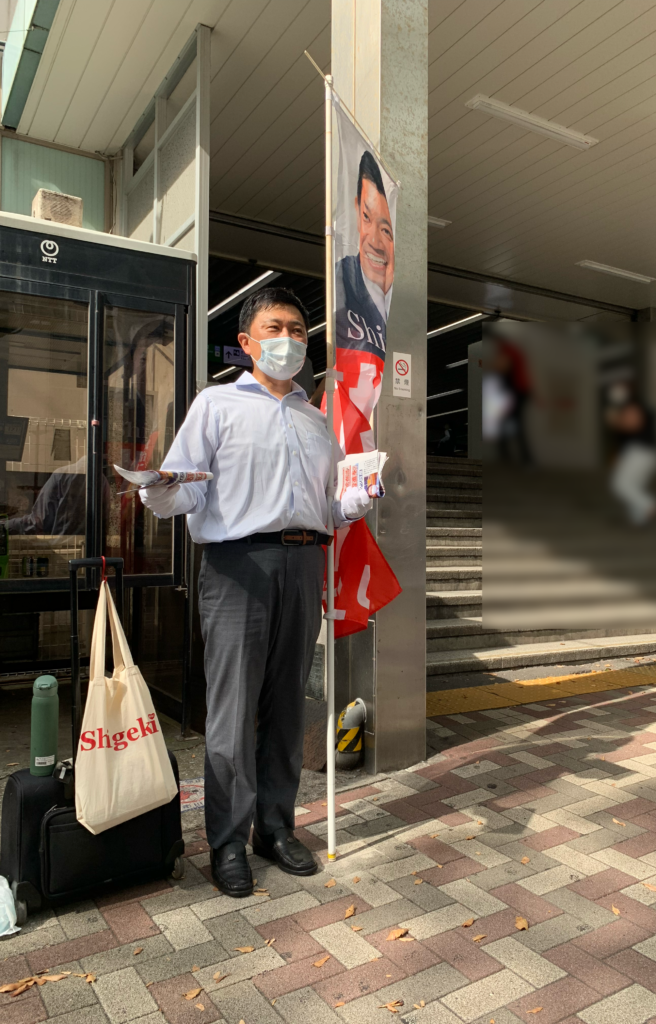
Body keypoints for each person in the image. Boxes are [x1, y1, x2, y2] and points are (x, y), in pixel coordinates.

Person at [140, 287, 375, 897]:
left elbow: (328, 505)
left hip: (304, 563)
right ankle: (226, 840)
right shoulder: (216, 404)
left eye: (298, 330)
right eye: (275, 328)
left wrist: (355, 500)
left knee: (286, 705)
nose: (289, 340)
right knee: (233, 707)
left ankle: (274, 828)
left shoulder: (316, 419)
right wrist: (158, 488)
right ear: (246, 342)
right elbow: (187, 488)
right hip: (237, 565)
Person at [335, 150, 394, 356]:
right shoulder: (341, 281)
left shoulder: (401, 302)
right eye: (366, 217)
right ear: (356, 209)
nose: (375, 242)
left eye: (386, 230)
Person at [606, 382, 656, 526]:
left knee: (620, 485)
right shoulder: (640, 407)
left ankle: (648, 504)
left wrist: (615, 422)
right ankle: (639, 519)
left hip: (638, 451)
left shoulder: (632, 406)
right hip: (647, 453)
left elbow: (633, 425)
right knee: (635, 486)